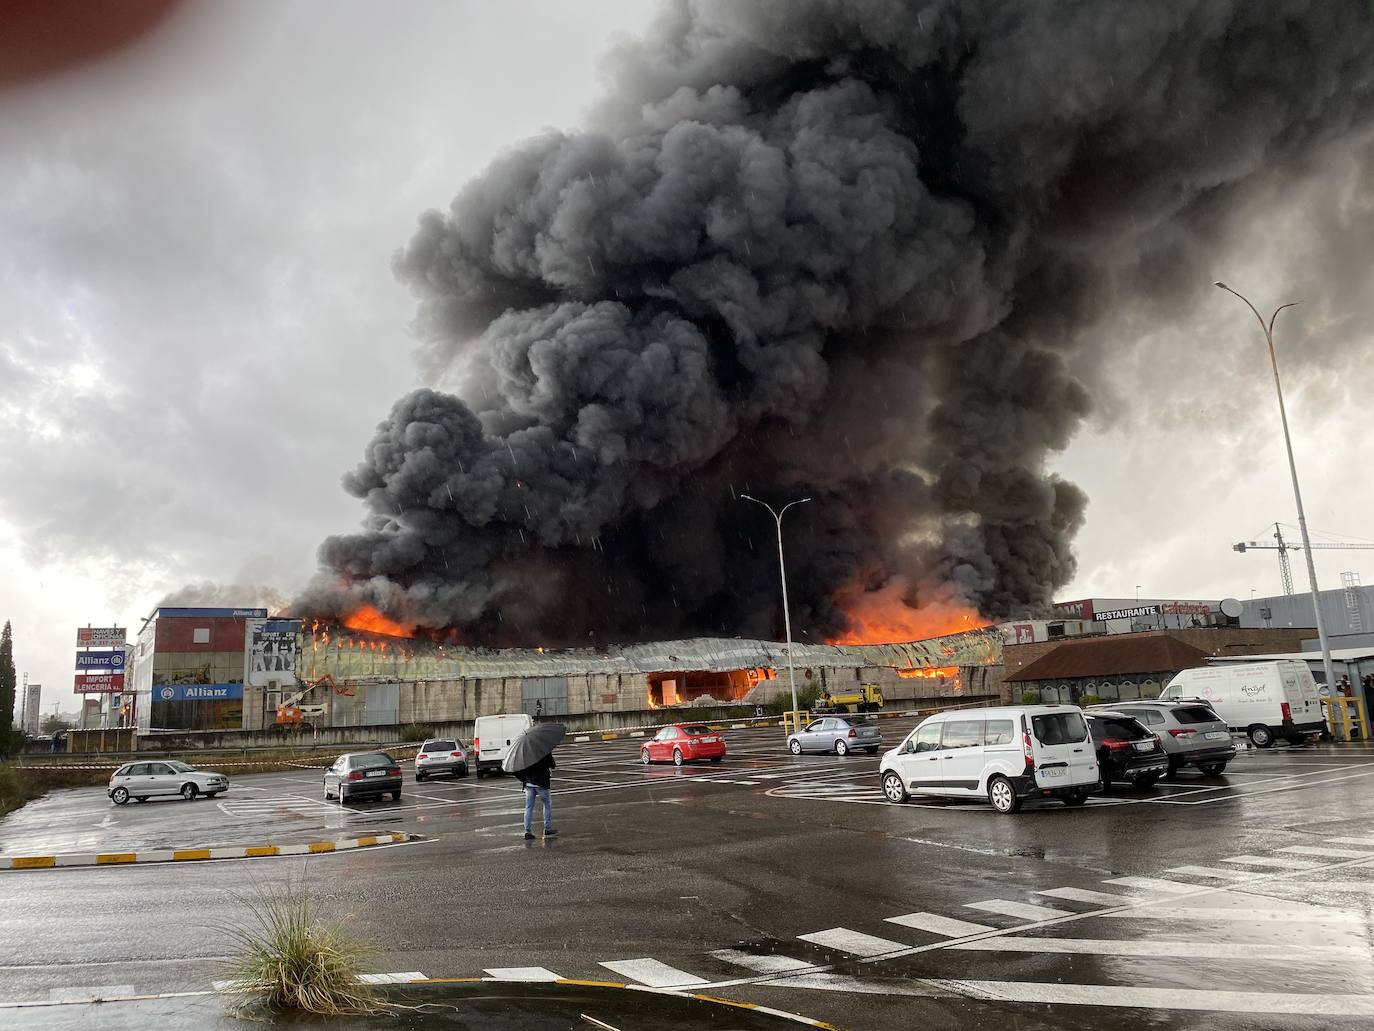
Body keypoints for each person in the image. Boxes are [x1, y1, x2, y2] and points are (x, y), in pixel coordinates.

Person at [515, 751, 556, 841]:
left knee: (528, 807)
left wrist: (524, 779)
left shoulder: (525, 752)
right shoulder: (544, 749)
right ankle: (547, 828)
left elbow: (517, 769)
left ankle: (527, 831)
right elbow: (553, 764)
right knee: (547, 804)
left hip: (529, 783)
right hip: (542, 783)